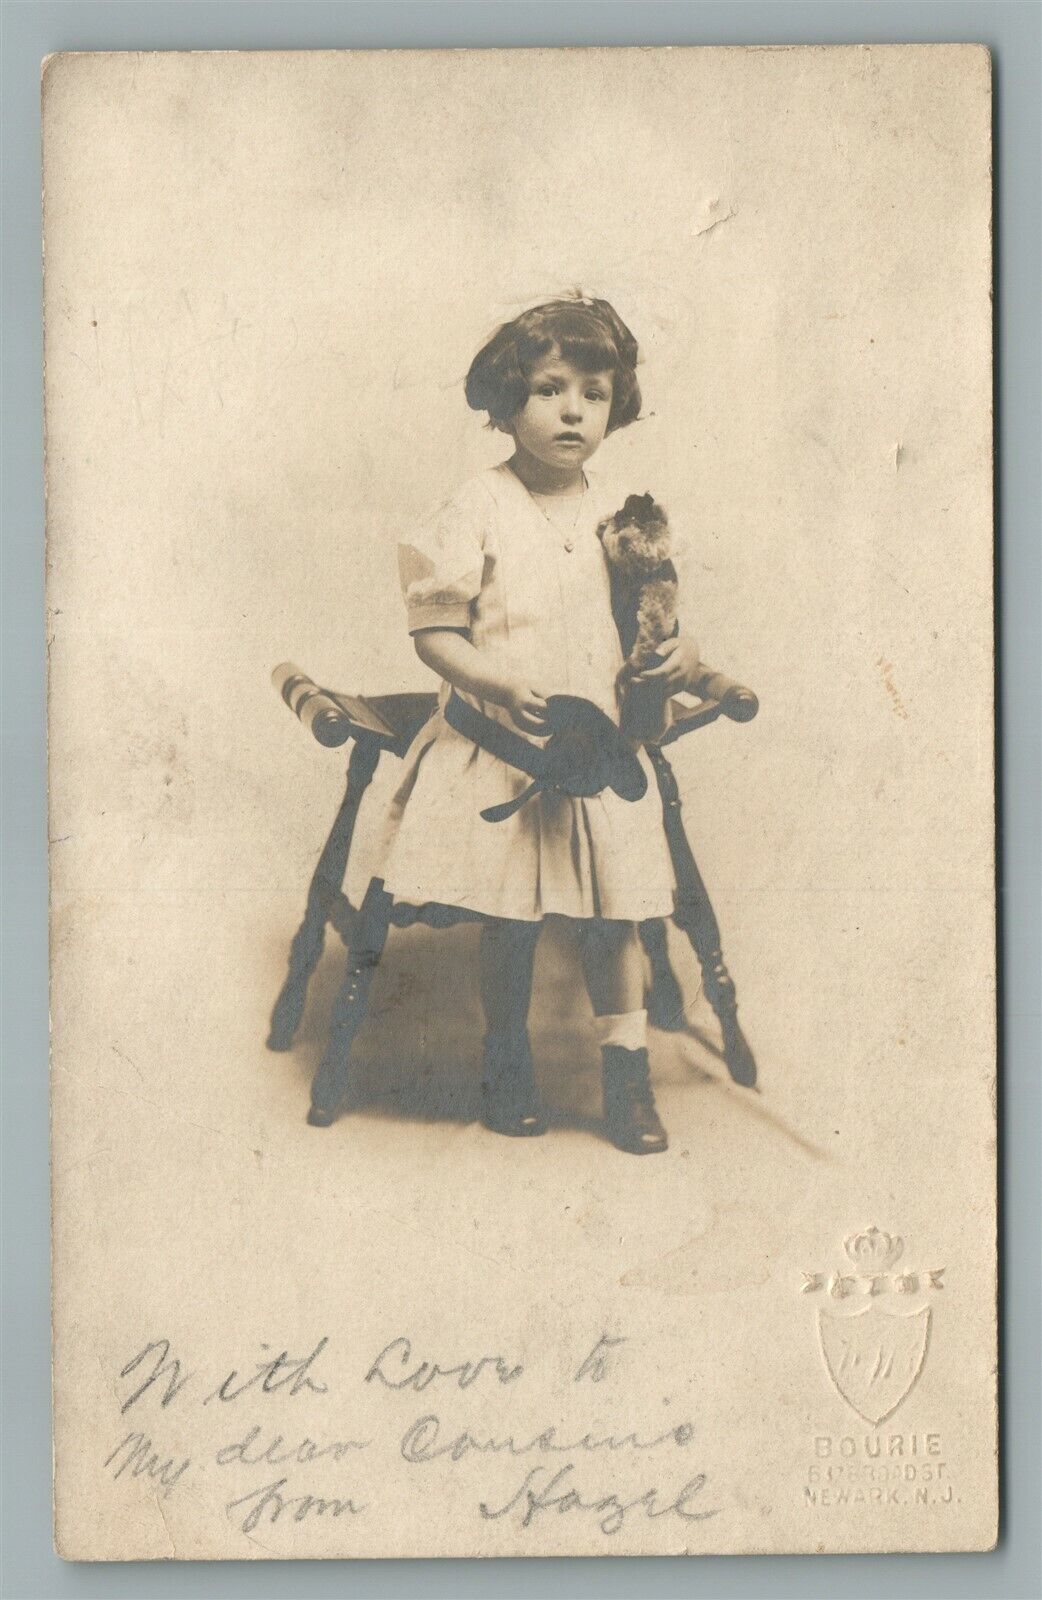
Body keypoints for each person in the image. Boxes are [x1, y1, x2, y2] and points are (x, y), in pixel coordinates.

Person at [370, 296, 702, 1153]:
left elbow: (655, 622)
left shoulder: (623, 517)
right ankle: (506, 1059)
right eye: (550, 390)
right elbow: (433, 630)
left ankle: (625, 1075)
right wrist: (492, 679)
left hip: (597, 753)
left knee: (612, 919)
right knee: (510, 919)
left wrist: (671, 656)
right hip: (504, 748)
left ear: (615, 407)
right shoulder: (476, 504)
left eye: (593, 394)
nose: (571, 411)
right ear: (509, 397)